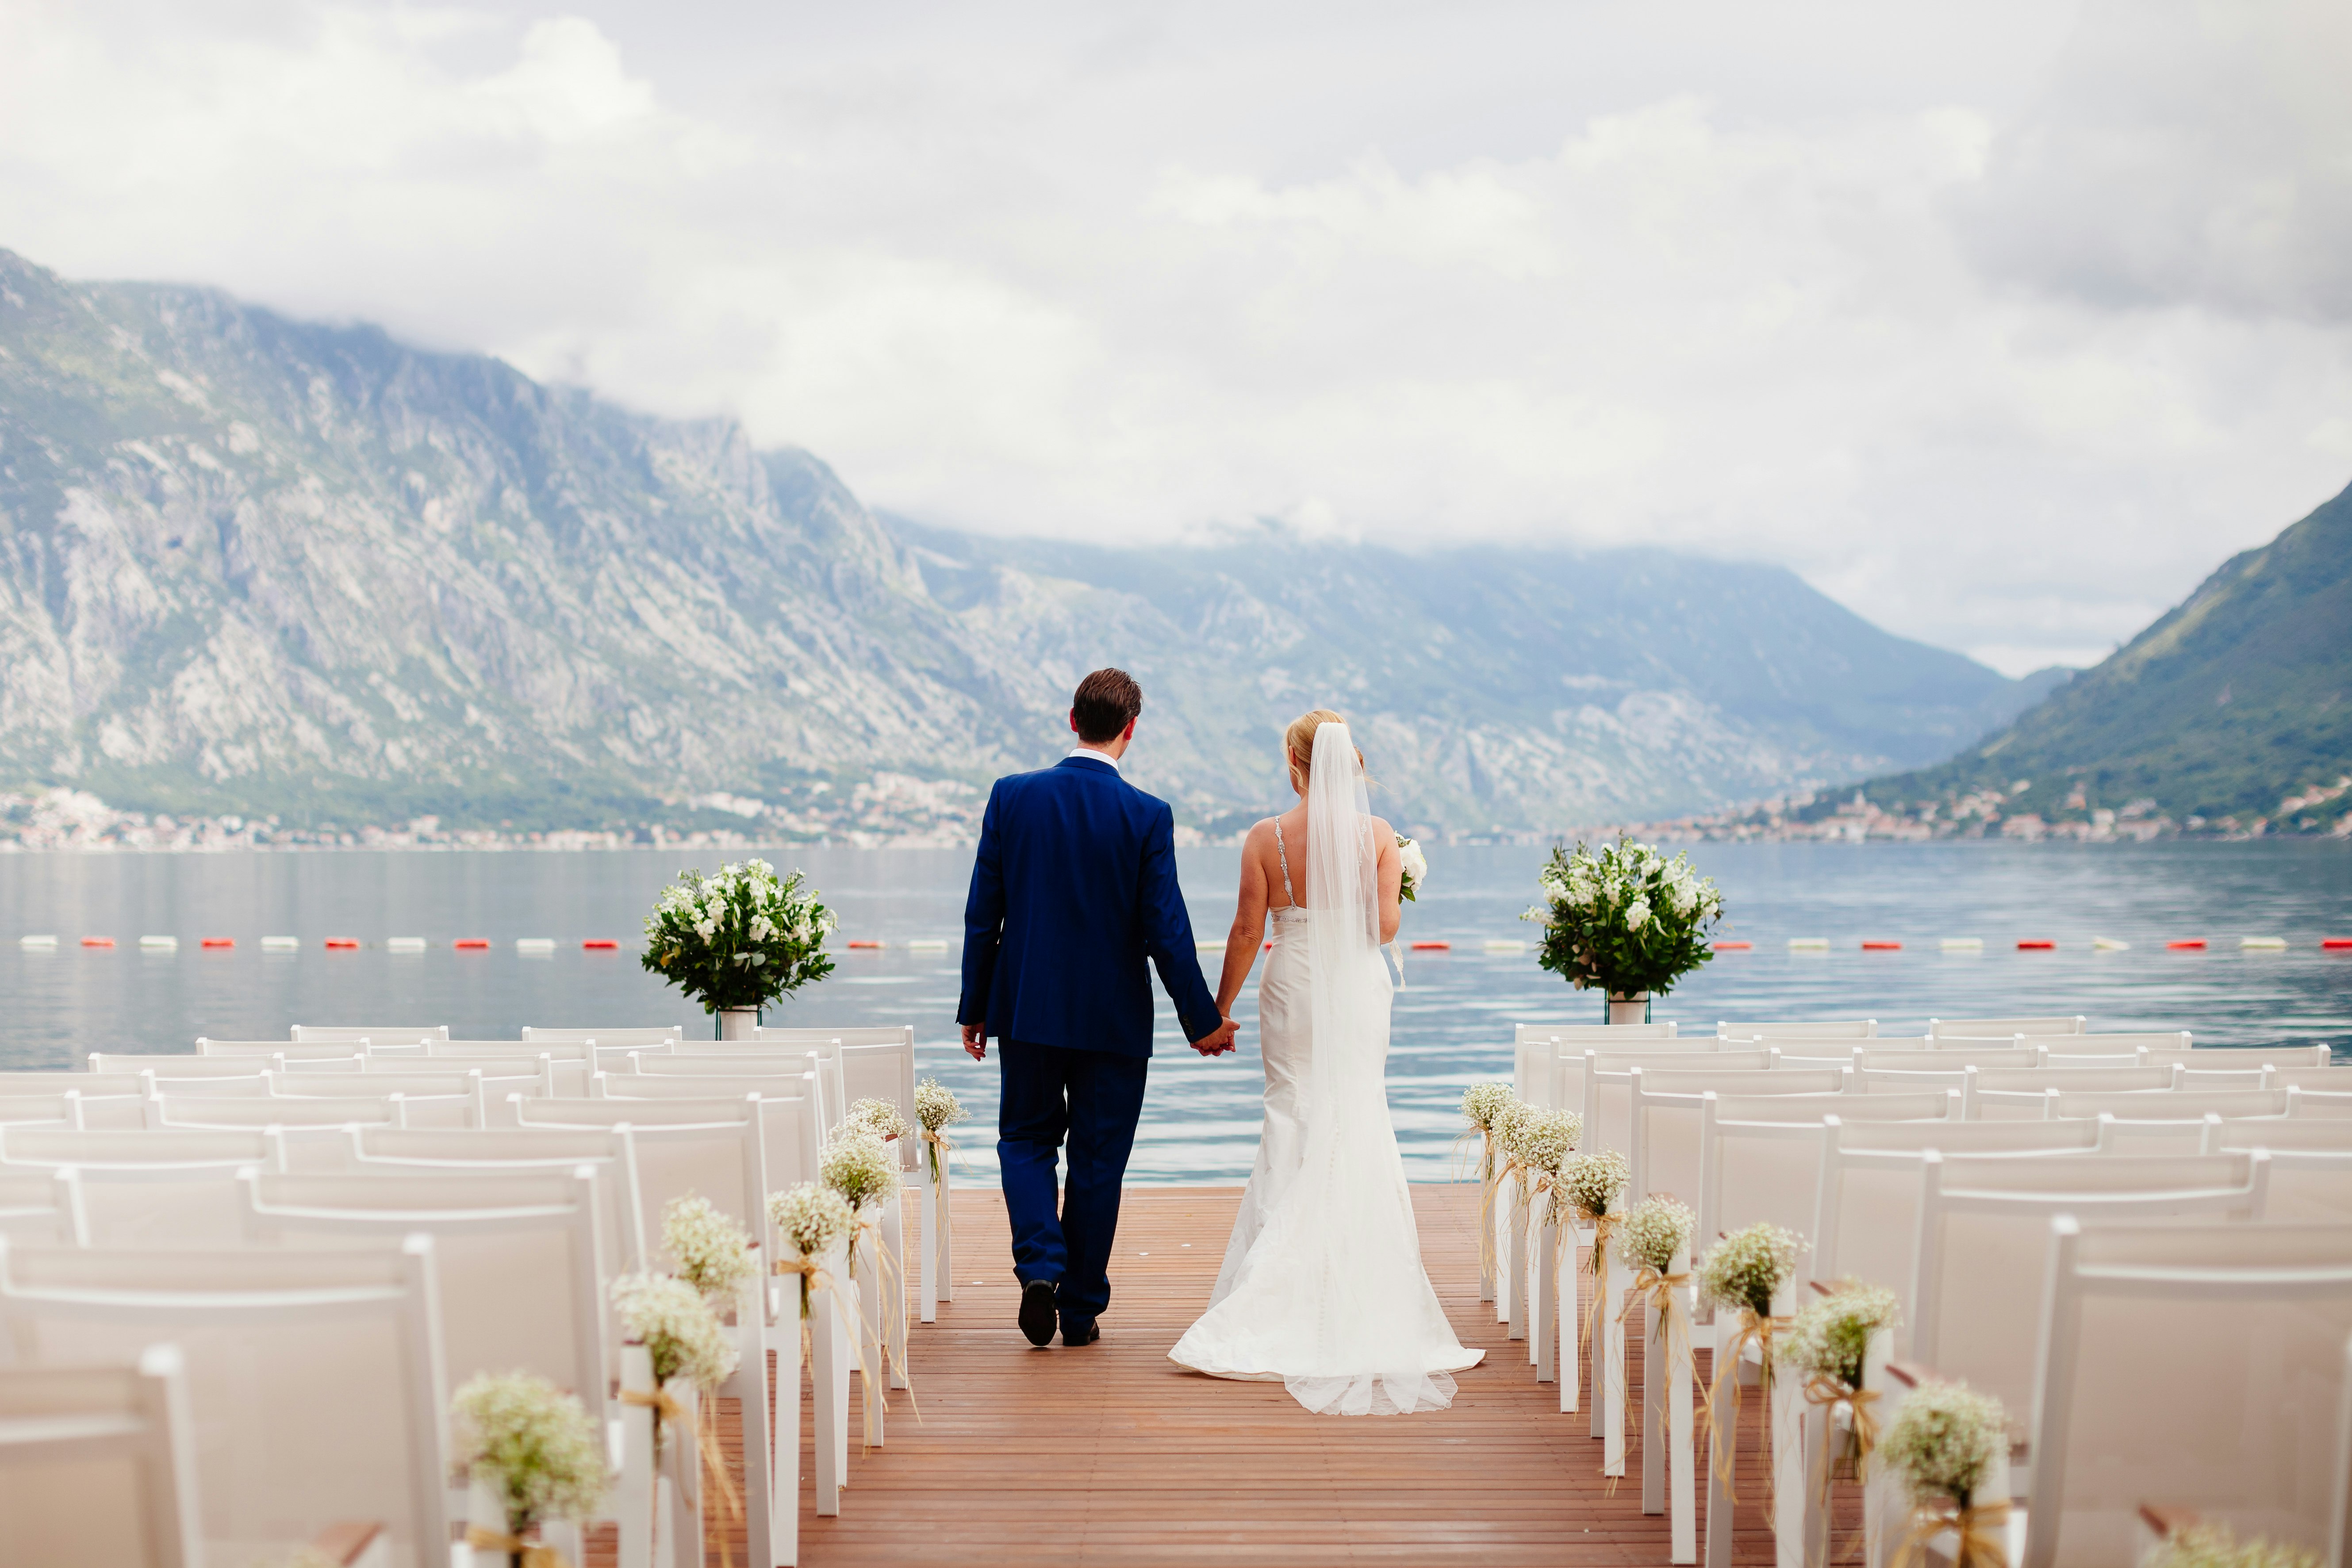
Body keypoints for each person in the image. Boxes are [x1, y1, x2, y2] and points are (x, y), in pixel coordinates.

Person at [1167, 710, 1481, 1414]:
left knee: (1292, 1111)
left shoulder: (1264, 837)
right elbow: (1386, 926)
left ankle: (1272, 1288)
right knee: (1357, 1112)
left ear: (1294, 761)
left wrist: (1216, 1011)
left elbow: (1248, 929)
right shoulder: (1376, 837)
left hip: (1292, 983)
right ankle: (1358, 1289)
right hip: (1355, 985)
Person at [959, 668, 1240, 1349]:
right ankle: (1079, 1307)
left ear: (1071, 719)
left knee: (1024, 1141)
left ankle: (1039, 1268)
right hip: (1113, 1019)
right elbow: (1165, 929)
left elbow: (981, 916)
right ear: (1131, 729)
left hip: (1025, 1008)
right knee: (1096, 1159)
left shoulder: (1011, 796)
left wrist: (976, 1005)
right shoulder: (1146, 814)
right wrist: (1203, 1021)